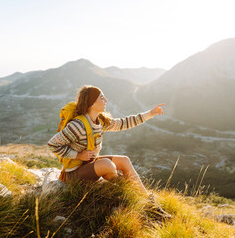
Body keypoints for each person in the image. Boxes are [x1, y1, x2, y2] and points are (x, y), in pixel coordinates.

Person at [47, 85, 170, 218]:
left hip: (89, 165)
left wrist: (150, 114)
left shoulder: (100, 121)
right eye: (102, 98)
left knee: (124, 160)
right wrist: (77, 155)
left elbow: (123, 123)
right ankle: (128, 191)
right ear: (92, 103)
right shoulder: (78, 126)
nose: (106, 100)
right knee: (107, 165)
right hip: (73, 175)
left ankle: (149, 203)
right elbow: (53, 144)